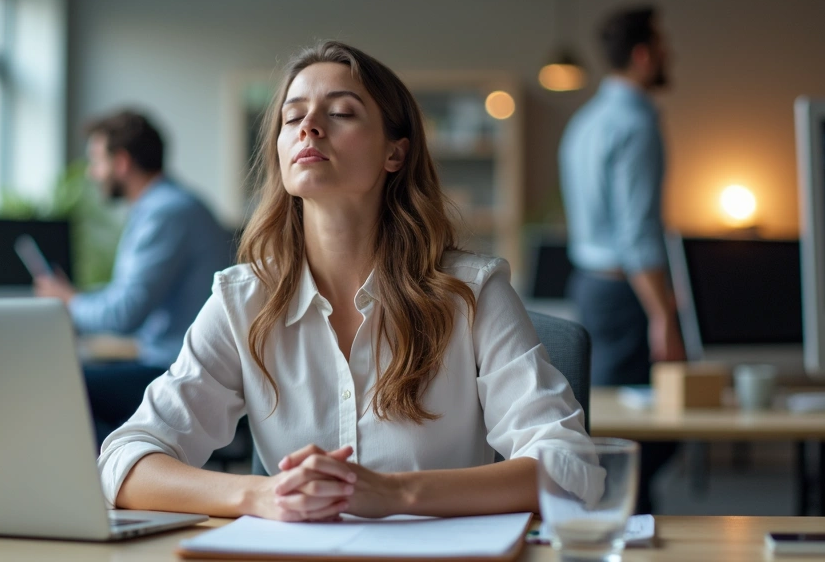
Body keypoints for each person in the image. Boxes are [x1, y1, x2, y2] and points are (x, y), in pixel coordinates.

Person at [95, 41, 592, 522]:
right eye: (292, 117)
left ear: (394, 153)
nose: (309, 126)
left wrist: (395, 493)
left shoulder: (473, 293)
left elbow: (570, 467)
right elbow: (124, 461)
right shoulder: (241, 301)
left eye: (341, 113)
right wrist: (261, 494)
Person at [34, 110, 233, 442]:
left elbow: (125, 313)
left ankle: (113, 481)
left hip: (180, 373)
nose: (92, 173)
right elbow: (127, 294)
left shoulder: (165, 212)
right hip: (172, 363)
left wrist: (68, 302)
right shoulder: (170, 205)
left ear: (122, 162)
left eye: (96, 161)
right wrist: (75, 297)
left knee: (60, 385)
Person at [559, 4, 684, 513]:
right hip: (628, 294)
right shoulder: (636, 124)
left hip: (590, 283)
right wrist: (664, 314)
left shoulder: (587, 120)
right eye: (663, 45)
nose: (669, 54)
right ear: (642, 55)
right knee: (650, 432)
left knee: (606, 420)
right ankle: (623, 526)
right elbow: (637, 235)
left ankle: (619, 521)